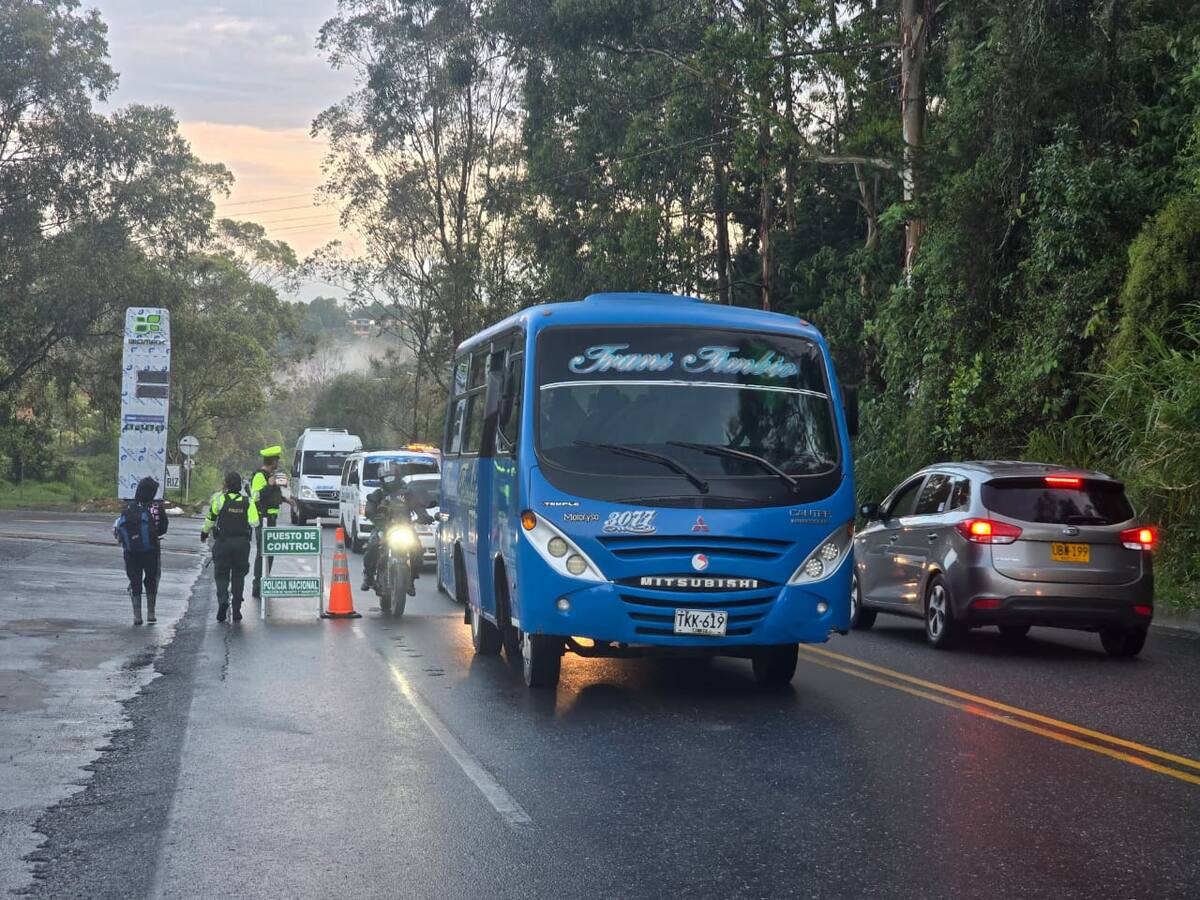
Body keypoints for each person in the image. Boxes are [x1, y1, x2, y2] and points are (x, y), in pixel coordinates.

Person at [360, 467, 432, 596]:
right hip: (384, 528)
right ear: (381, 480)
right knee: (372, 546)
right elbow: (369, 508)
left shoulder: (407, 493)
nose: (389, 481)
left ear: (397, 476)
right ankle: (368, 576)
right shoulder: (378, 494)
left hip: (405, 528)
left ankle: (411, 579)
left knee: (417, 550)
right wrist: (372, 515)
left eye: (391, 477)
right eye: (385, 478)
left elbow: (418, 506)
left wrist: (424, 516)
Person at [201, 472, 260, 623]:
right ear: (240, 485)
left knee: (221, 575)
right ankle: (236, 610)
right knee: (238, 576)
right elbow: (255, 522)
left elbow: (211, 519)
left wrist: (204, 532)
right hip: (241, 545)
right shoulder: (248, 502)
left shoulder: (219, 500)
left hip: (223, 543)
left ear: (226, 484)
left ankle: (222, 601)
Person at [113, 476, 168, 625]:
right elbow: (163, 528)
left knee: (135, 580)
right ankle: (151, 613)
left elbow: (118, 528)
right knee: (151, 579)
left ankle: (137, 616)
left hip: (131, 551)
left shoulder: (129, 508)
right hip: (151, 550)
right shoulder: (157, 508)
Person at [250, 445, 286, 598]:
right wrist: (270, 485)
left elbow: (274, 496)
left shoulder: (270, 476)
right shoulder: (259, 476)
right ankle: (258, 585)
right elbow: (257, 497)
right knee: (262, 553)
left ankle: (266, 582)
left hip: (271, 520)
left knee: (270, 553)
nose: (278, 462)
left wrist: (286, 500)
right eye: (277, 460)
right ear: (272, 461)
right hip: (263, 520)